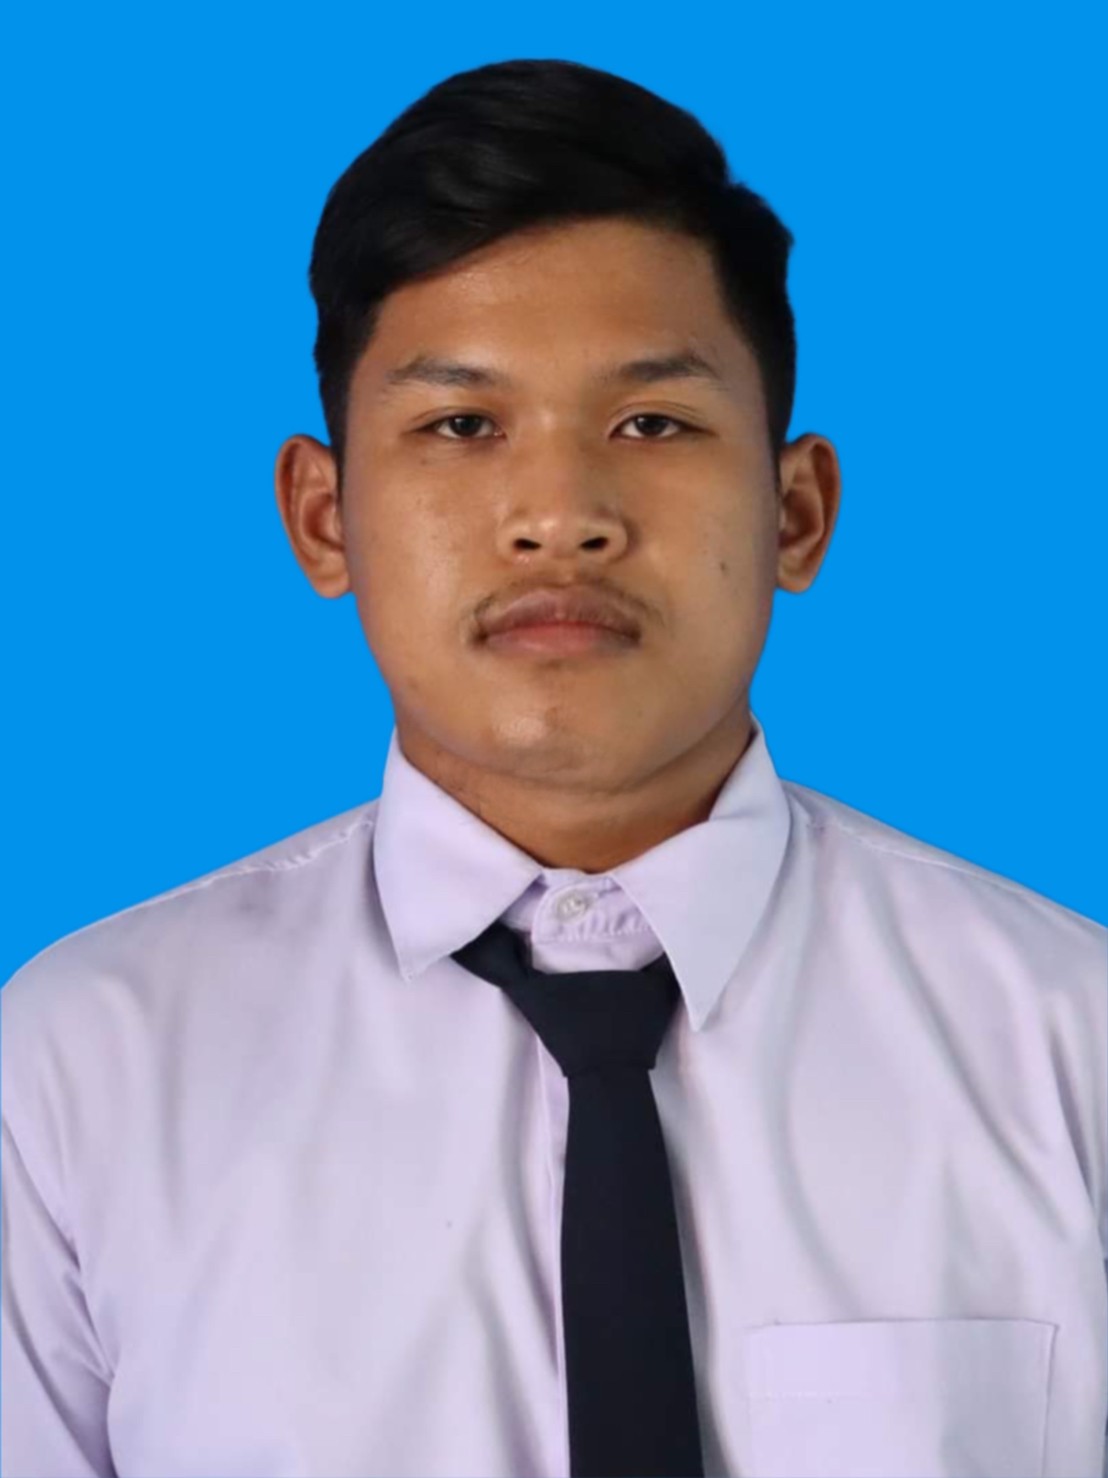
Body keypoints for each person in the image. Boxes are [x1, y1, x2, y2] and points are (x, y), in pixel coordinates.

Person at [2, 56, 1104, 1478]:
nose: (560, 516)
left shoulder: (1071, 1045)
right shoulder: (79, 1065)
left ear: (796, 512)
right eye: (461, 425)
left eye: (653, 423)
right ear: (325, 518)